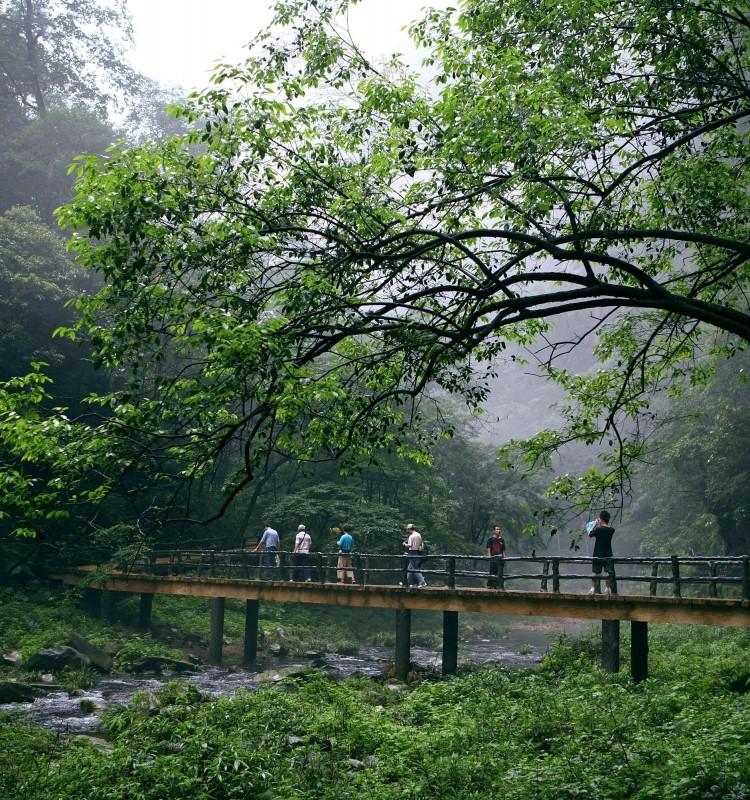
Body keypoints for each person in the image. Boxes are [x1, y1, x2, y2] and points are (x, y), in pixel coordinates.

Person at [588, 510, 615, 595]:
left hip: (598, 553)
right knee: (607, 572)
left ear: (601, 519)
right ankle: (608, 588)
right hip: (608, 554)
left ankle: (593, 588)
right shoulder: (611, 530)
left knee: (595, 572)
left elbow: (590, 534)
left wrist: (595, 524)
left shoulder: (598, 529)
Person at [402, 523, 427, 588]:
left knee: (414, 568)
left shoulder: (411, 536)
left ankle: (422, 582)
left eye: (408, 529)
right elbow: (422, 544)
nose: (407, 531)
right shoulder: (418, 534)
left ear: (409, 529)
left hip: (412, 552)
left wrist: (404, 544)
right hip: (418, 552)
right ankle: (409, 582)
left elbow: (409, 545)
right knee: (410, 568)